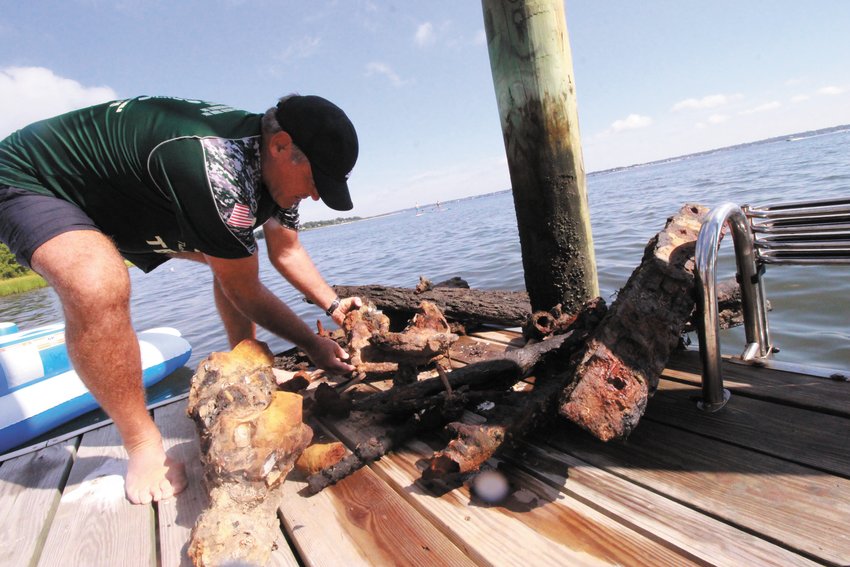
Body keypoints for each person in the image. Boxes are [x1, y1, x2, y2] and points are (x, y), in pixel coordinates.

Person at [0, 94, 363, 504]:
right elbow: (242, 288)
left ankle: (244, 369)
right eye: (316, 182)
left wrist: (335, 305)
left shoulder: (272, 171)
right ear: (280, 146)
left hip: (129, 198)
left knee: (232, 253)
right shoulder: (217, 170)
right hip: (37, 179)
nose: (316, 196)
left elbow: (288, 251)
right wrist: (314, 344)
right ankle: (141, 444)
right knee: (97, 283)